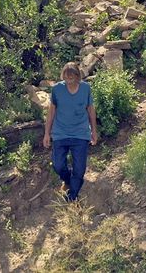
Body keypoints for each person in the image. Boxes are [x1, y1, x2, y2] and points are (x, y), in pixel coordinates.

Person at [43, 62, 98, 202]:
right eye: (66, 79)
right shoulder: (57, 89)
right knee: (58, 165)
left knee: (79, 169)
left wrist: (94, 131)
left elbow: (90, 110)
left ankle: (72, 197)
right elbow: (51, 112)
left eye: (72, 78)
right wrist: (46, 133)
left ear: (77, 77)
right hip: (60, 132)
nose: (69, 81)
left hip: (80, 133)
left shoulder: (86, 89)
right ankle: (67, 181)